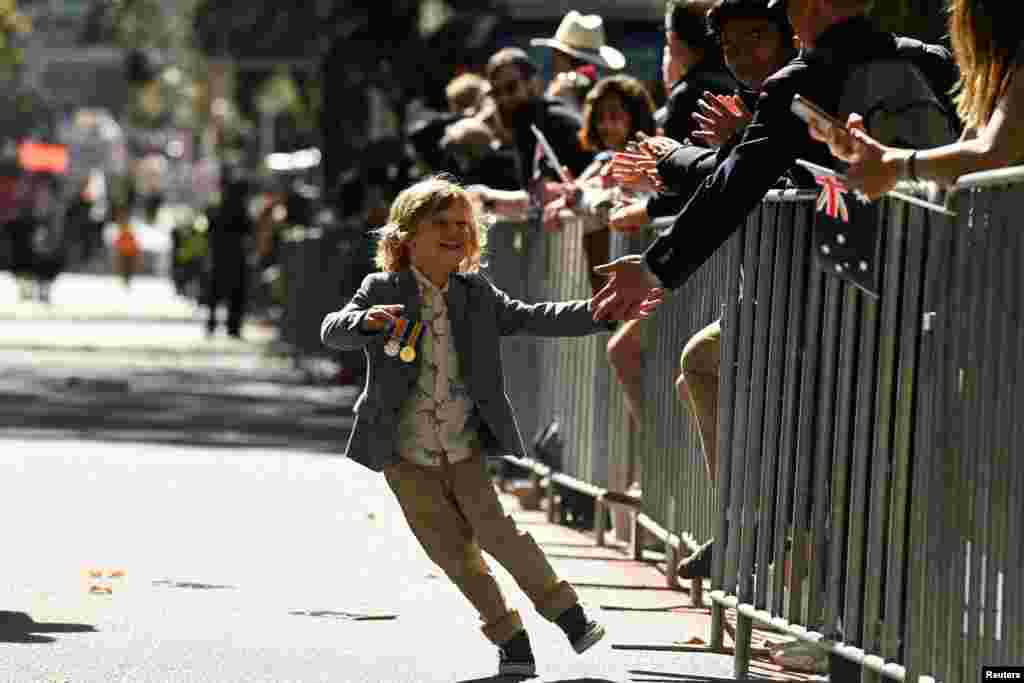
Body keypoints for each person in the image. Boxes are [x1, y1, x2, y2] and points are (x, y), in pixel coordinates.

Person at [320, 176, 662, 677]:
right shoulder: (382, 289)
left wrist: (598, 313)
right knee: (452, 553)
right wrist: (367, 321)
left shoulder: (474, 292)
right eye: (441, 224)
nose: (456, 232)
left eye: (464, 224)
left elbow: (533, 317)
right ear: (408, 235)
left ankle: (568, 614)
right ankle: (510, 639)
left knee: (500, 533)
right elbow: (334, 329)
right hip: (402, 451)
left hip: (462, 446)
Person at [591, 0, 958, 321]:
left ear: (815, 4)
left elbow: (734, 185)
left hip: (848, 296)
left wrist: (651, 269)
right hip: (948, 274)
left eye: (788, 6)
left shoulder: (800, 82)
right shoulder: (933, 60)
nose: (788, 18)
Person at [812, 0, 1024, 198]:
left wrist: (893, 164)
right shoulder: (998, 74)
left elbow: (990, 153)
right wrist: (870, 156)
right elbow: (961, 163)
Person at [469, 48, 593, 219]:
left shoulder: (554, 122)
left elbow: (551, 196)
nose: (504, 98)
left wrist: (490, 199)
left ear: (532, 83)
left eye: (511, 88)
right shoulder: (526, 125)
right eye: (496, 93)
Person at [205, 179, 253, 339]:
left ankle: (211, 324)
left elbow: (209, 231)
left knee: (215, 293)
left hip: (218, 257)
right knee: (236, 294)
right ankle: (233, 328)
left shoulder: (216, 209)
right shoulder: (241, 210)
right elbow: (248, 230)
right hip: (236, 257)